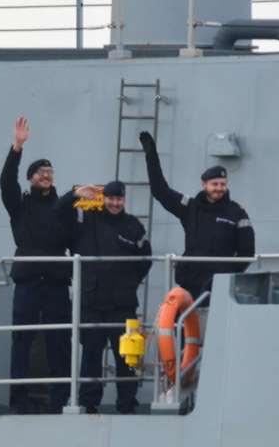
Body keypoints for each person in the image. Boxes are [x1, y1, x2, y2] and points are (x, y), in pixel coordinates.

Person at [0, 116, 73, 413]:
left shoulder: (62, 205)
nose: (46, 175)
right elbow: (5, 183)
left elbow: (73, 229)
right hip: (28, 282)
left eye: (50, 172)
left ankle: (60, 400)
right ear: (30, 177)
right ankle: (18, 400)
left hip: (55, 282)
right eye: (41, 172)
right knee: (22, 341)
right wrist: (17, 147)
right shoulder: (20, 205)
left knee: (59, 342)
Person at [60, 180, 152, 414]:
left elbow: (145, 259)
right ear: (104, 199)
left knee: (126, 356)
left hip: (123, 304)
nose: (114, 203)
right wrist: (74, 194)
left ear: (124, 200)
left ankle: (127, 403)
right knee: (91, 355)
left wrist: (130, 283)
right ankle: (88, 403)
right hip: (92, 303)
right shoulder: (87, 220)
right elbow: (58, 212)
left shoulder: (133, 226)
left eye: (119, 199)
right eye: (110, 198)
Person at [138, 131, 254, 300]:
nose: (219, 188)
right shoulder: (191, 207)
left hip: (220, 287)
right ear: (204, 184)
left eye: (223, 184)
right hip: (190, 284)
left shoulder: (237, 213)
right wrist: (151, 155)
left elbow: (247, 252)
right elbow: (160, 191)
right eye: (214, 184)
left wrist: (227, 275)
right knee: (182, 324)